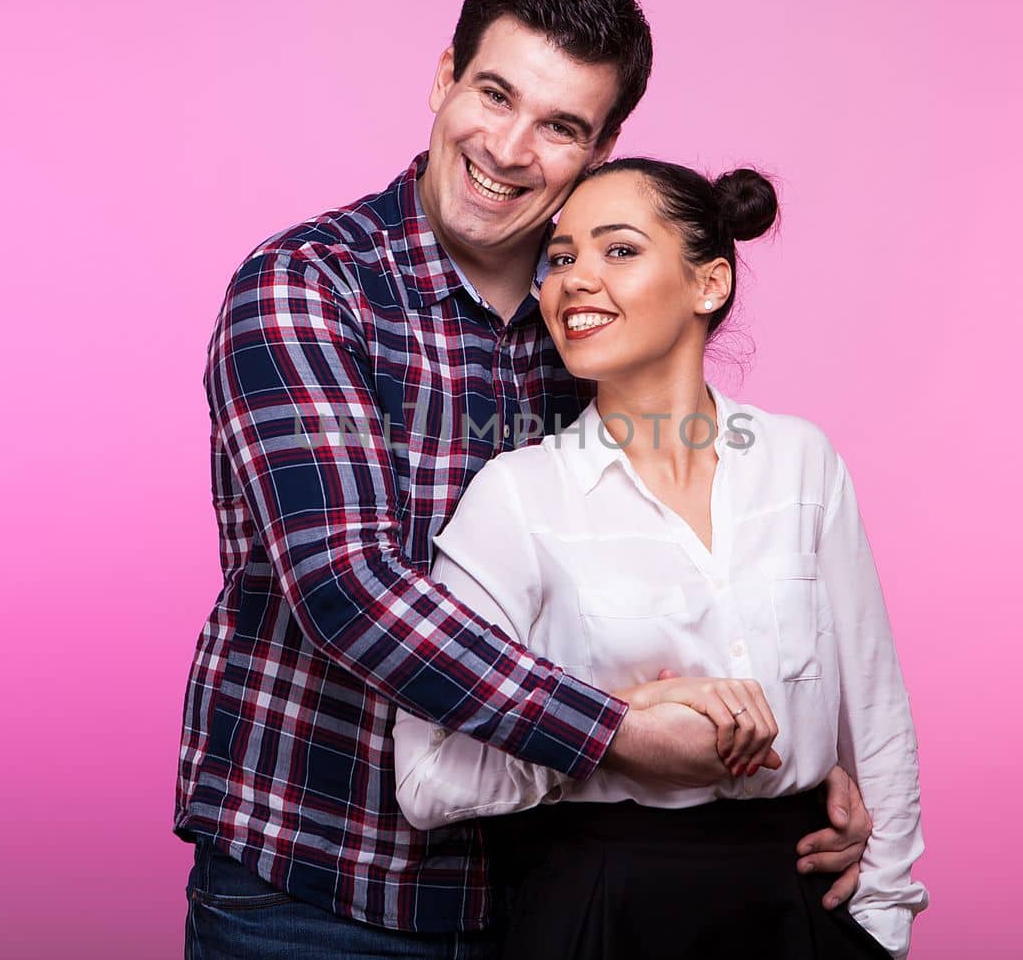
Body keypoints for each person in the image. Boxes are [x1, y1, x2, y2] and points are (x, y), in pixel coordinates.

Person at [177, 0, 874, 959]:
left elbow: (703, 558)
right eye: (494, 94)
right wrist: (615, 728)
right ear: (444, 77)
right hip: (317, 879)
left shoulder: (600, 319)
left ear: (602, 145)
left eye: (559, 126)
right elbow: (346, 584)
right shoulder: (310, 287)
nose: (507, 149)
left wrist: (801, 771)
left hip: (550, 887)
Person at [393, 159, 928, 958]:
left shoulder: (800, 463)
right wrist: (615, 721)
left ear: (709, 284)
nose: (574, 280)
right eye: (562, 257)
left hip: (796, 906)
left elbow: (875, 718)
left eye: (618, 251)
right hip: (598, 909)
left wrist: (881, 924)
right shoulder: (517, 494)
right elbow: (427, 779)